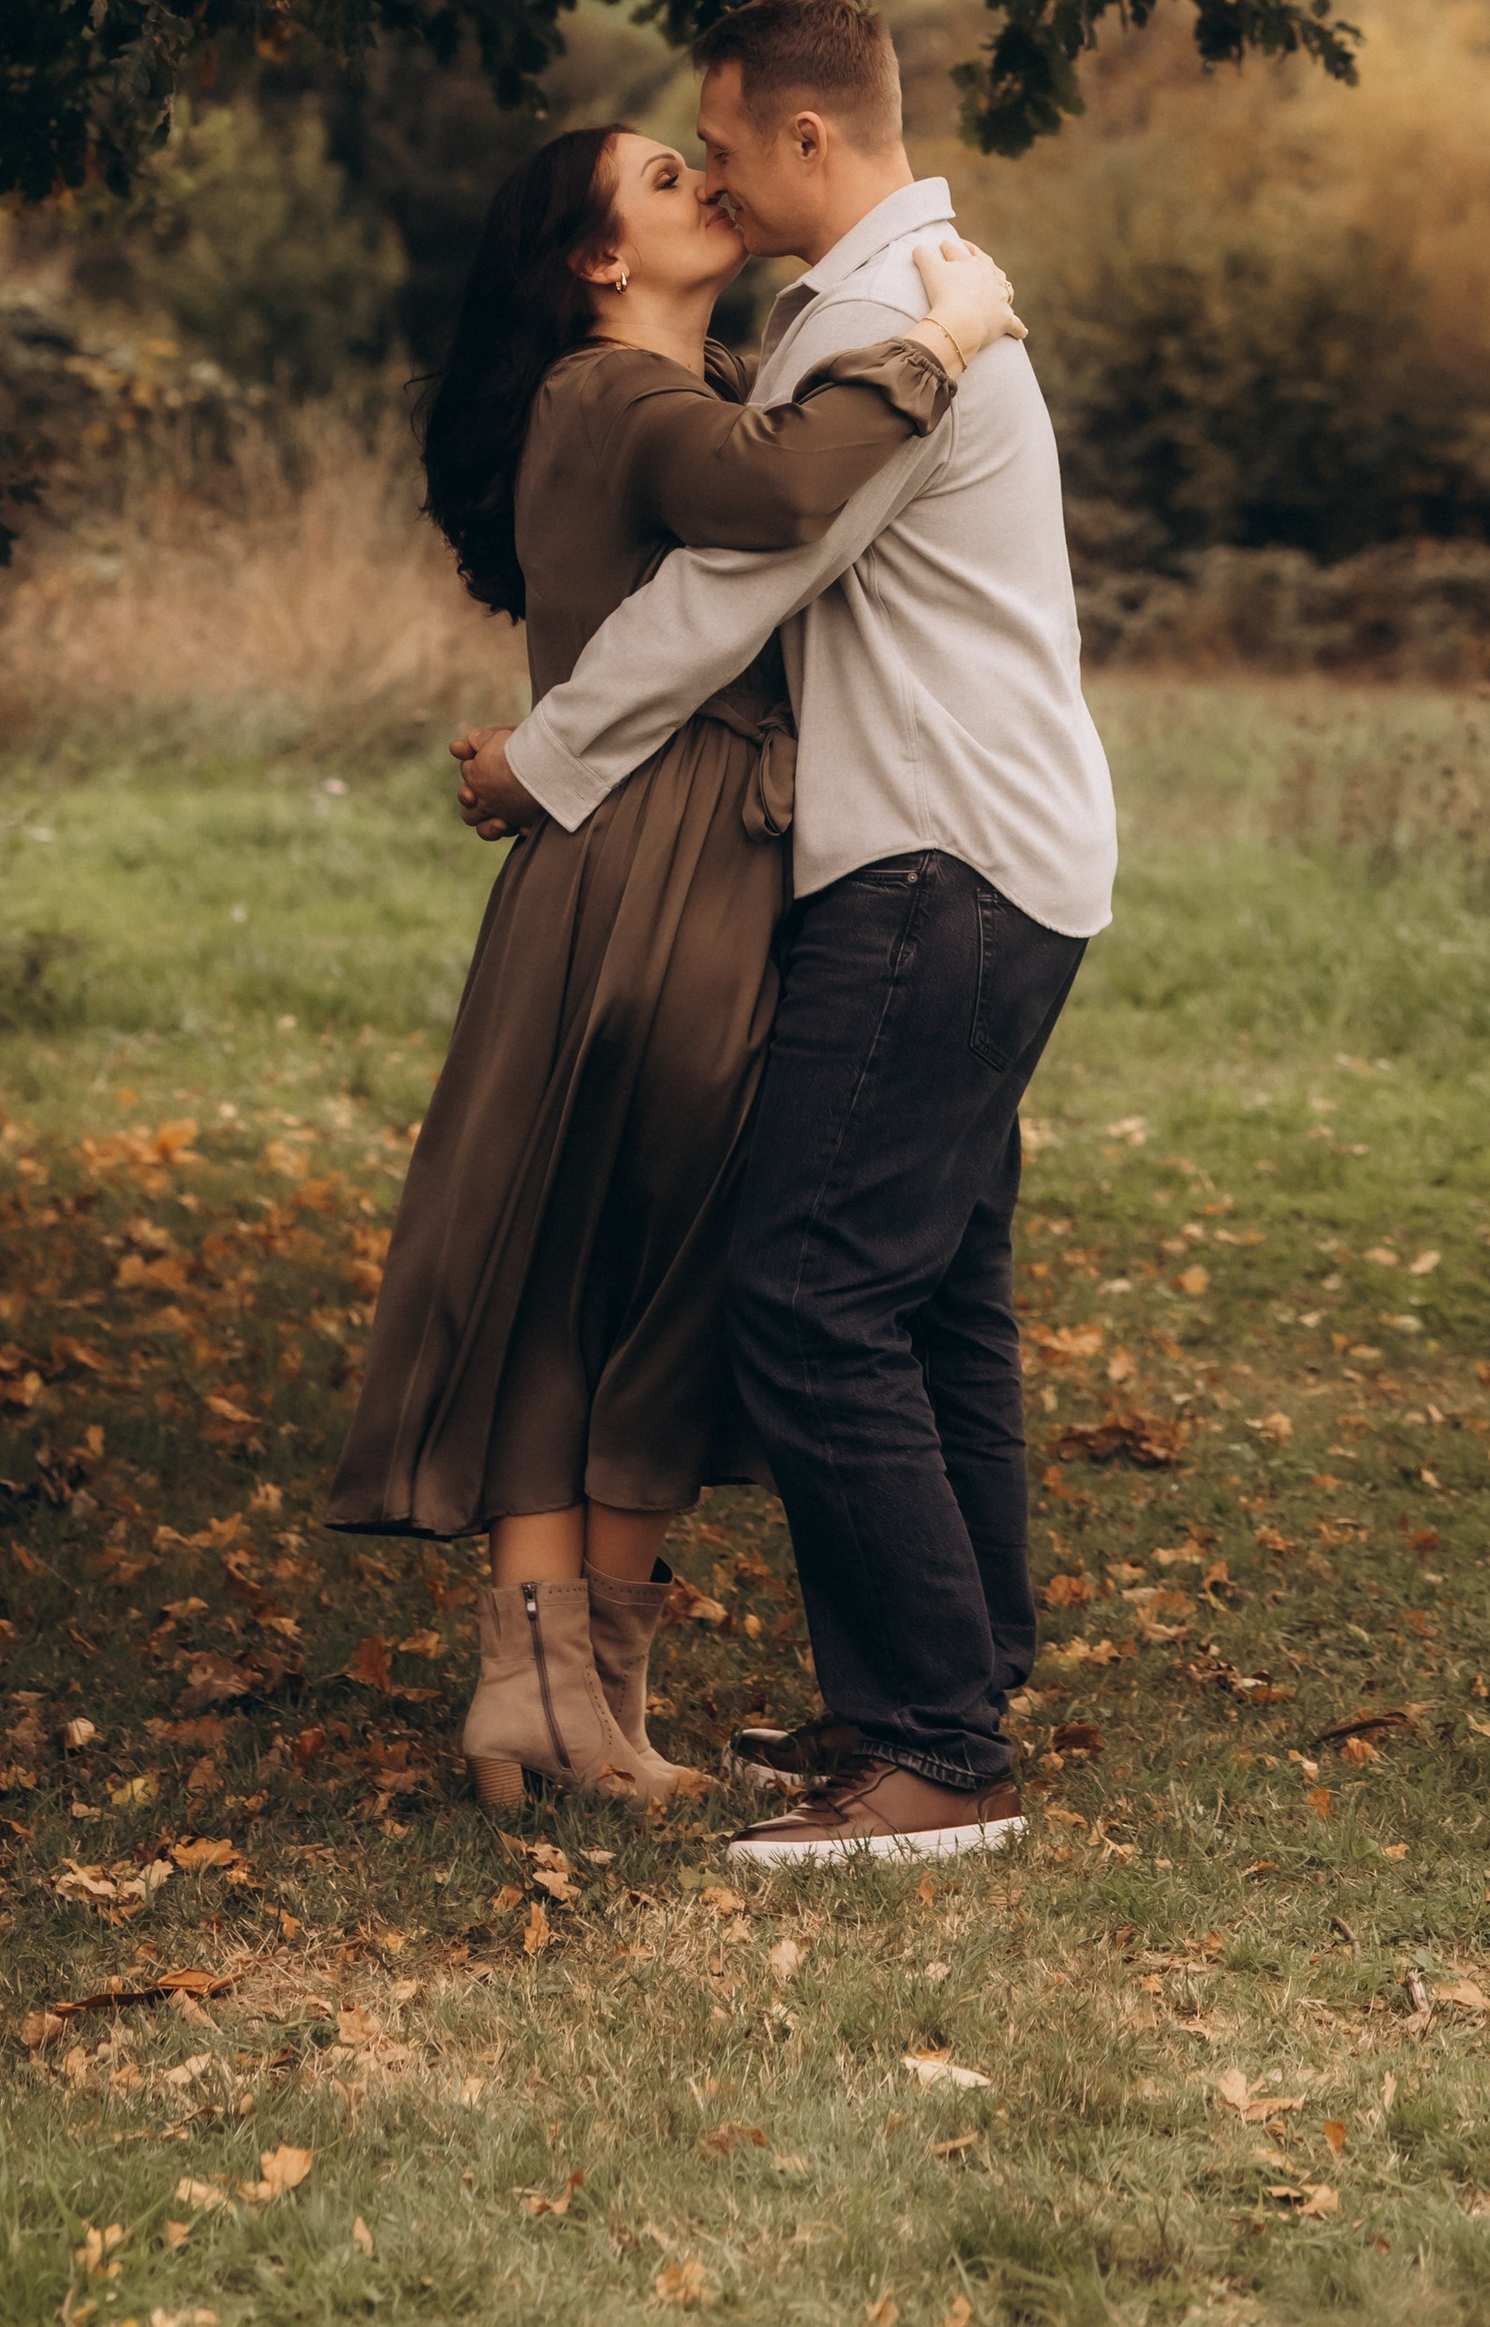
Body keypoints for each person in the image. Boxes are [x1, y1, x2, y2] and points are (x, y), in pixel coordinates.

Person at [455, 0, 1117, 1867]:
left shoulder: (868, 324)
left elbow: (739, 579)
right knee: (934, 1291)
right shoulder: (913, 293)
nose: (721, 185)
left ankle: (936, 1754)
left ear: (808, 140)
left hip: (932, 858)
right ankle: (948, 1675)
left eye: (724, 148)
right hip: (1003, 847)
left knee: (813, 1289)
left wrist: (548, 758)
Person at [324, 117, 1020, 1816]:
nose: (705, 186)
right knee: (657, 1272)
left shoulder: (671, 385)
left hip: (643, 841)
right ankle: (566, 1703)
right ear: (596, 261)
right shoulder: (616, 395)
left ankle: (552, 1709)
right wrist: (946, 337)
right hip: (679, 852)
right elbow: (786, 495)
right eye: (660, 179)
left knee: (594, 1263)